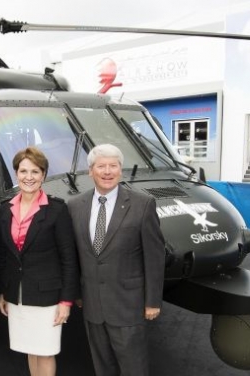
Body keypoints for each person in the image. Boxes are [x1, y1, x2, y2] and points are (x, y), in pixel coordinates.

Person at [67, 144, 165, 376]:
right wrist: (77, 293)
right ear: (91, 171)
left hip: (128, 305)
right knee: (103, 367)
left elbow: (155, 256)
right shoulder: (74, 206)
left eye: (113, 166)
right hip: (92, 305)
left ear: (120, 170)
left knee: (134, 368)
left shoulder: (143, 204)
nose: (107, 171)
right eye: (101, 166)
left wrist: (153, 301)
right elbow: (74, 254)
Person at [0, 147, 79, 376]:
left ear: (43, 175)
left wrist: (66, 301)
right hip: (18, 296)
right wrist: (4, 292)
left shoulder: (57, 210)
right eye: (23, 171)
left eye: (35, 171)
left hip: (48, 297)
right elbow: (4, 256)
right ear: (16, 173)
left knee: (45, 351)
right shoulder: (5, 210)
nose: (28, 177)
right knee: (30, 350)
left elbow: (68, 259)